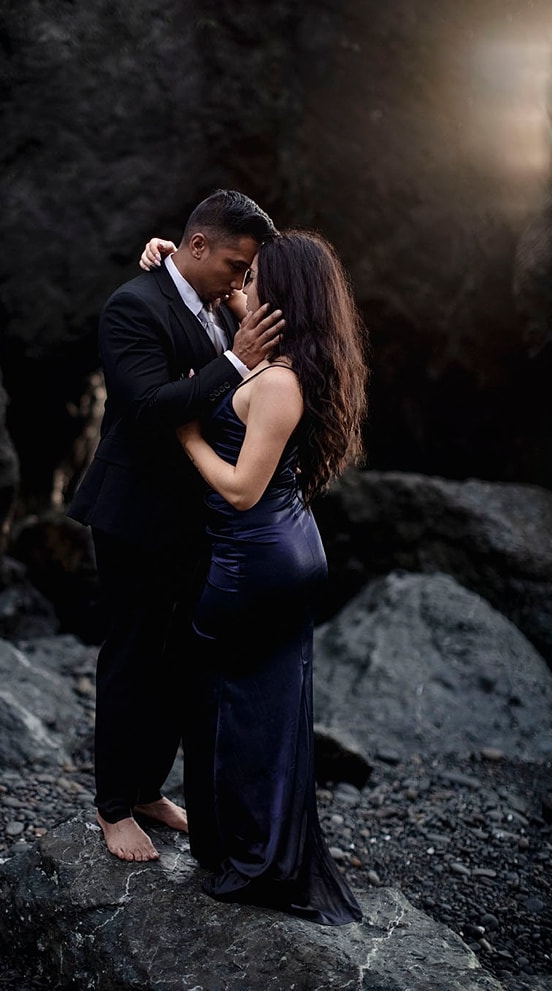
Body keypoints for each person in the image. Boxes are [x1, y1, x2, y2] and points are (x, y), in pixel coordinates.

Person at [141, 228, 367, 925]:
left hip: (255, 558)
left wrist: (186, 433)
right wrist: (169, 258)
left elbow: (240, 489)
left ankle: (255, 859)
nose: (246, 283)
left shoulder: (276, 383)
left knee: (227, 704)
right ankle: (250, 845)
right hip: (286, 553)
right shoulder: (295, 361)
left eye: (258, 275)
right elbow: (228, 293)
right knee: (264, 704)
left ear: (285, 295)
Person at [67, 190, 283, 862]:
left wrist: (235, 347)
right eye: (233, 264)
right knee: (131, 654)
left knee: (177, 658)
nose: (240, 280)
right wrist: (236, 362)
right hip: (134, 513)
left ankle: (146, 789)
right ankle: (110, 806)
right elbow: (150, 406)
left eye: (248, 270)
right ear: (195, 246)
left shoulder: (223, 308)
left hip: (196, 518)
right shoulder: (134, 307)